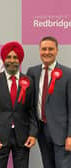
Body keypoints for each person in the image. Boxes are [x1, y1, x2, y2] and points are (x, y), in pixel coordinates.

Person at [0, 41, 38, 168]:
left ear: (20, 60)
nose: (12, 60)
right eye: (9, 57)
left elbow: (32, 110)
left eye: (15, 57)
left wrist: (33, 134)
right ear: (3, 59)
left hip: (22, 138)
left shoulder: (29, 82)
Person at [27, 36, 71, 168]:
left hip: (62, 135)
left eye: (51, 49)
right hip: (41, 132)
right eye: (44, 49)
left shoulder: (68, 74)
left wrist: (70, 135)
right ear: (39, 50)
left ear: (57, 50)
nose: (47, 52)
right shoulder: (32, 72)